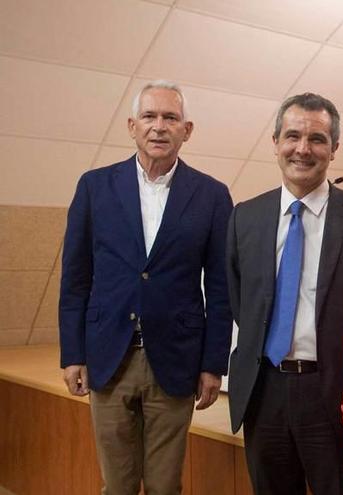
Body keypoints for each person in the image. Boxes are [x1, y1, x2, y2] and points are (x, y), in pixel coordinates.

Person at [59, 80, 233, 494]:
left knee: (164, 484)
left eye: (170, 118)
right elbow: (76, 278)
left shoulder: (212, 195)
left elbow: (223, 287)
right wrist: (73, 354)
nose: (159, 126)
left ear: (186, 130)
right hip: (108, 355)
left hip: (175, 359)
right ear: (131, 125)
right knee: (116, 484)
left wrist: (213, 364)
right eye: (150, 117)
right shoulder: (94, 187)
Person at [226, 93, 343, 495]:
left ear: (334, 149)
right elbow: (238, 298)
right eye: (292, 135)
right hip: (264, 393)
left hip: (333, 396)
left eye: (317, 138)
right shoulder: (245, 215)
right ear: (275, 142)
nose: (303, 148)